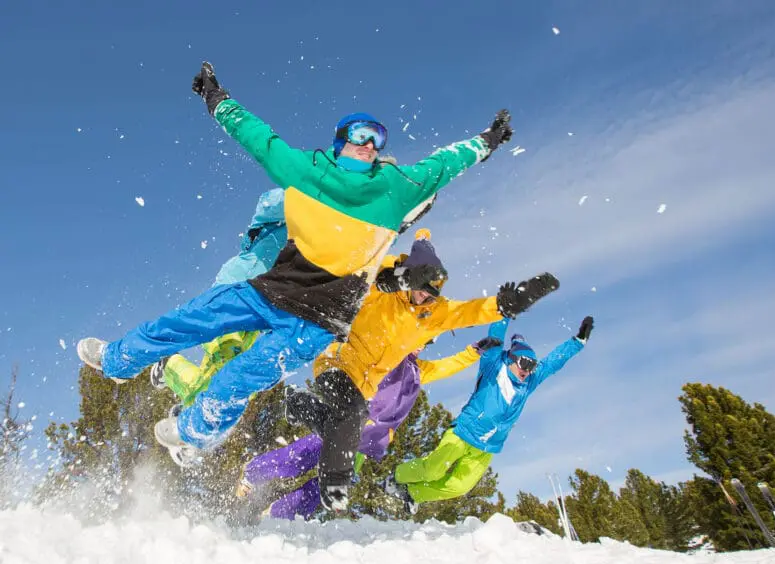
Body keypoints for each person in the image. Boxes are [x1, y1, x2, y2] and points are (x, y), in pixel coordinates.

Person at [76, 61, 514, 511]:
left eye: (377, 138)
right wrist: (215, 99)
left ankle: (194, 430)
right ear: (340, 141)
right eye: (360, 135)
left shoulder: (396, 188)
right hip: (268, 291)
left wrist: (488, 141)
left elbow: (447, 163)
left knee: (241, 377)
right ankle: (118, 359)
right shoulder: (308, 171)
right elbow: (260, 139)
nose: (369, 144)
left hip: (316, 323)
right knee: (189, 320)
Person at [284, 229, 560, 510]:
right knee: (351, 417)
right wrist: (390, 278)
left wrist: (505, 305)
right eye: (419, 290)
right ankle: (333, 483)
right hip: (337, 360)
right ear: (409, 279)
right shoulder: (383, 290)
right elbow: (357, 276)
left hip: (365, 384)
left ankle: (299, 405)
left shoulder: (434, 315)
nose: (423, 299)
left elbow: (470, 312)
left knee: (348, 423)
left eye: (430, 295)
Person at [238, 336, 498, 521]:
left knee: (328, 486)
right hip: (349, 425)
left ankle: (278, 516)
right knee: (303, 456)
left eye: (427, 342)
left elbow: (446, 367)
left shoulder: (419, 370)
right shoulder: (386, 355)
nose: (421, 345)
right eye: (419, 338)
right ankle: (252, 474)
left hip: (369, 442)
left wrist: (473, 352)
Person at [384, 316, 594, 513]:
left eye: (532, 366)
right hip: (463, 433)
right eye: (524, 363)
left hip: (487, 447)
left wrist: (577, 342)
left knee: (459, 486)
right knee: (432, 470)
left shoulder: (529, 382)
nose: (528, 370)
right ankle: (396, 476)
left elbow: (552, 362)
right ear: (511, 359)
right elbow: (495, 338)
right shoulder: (494, 365)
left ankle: (412, 494)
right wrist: (505, 314)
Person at [152, 188, 288, 406]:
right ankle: (195, 406)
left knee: (240, 379)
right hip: (233, 294)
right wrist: (304, 196)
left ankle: (176, 376)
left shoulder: (316, 241)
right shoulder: (289, 215)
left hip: (258, 315)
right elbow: (267, 204)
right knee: (227, 363)